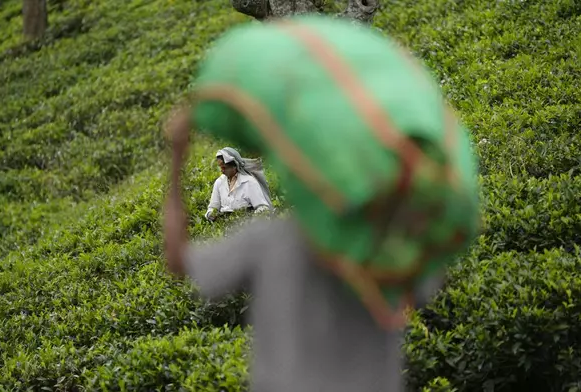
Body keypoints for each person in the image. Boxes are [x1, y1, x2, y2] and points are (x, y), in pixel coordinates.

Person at [163, 15, 480, 392]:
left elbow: (179, 261)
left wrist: (177, 158)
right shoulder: (391, 245)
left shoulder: (271, 240)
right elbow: (428, 280)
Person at [205, 147, 273, 221]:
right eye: (220, 167)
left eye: (224, 168)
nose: (222, 171)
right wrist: (210, 214)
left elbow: (262, 207)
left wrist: (251, 221)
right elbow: (213, 207)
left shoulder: (249, 182)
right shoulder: (219, 182)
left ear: (235, 166)